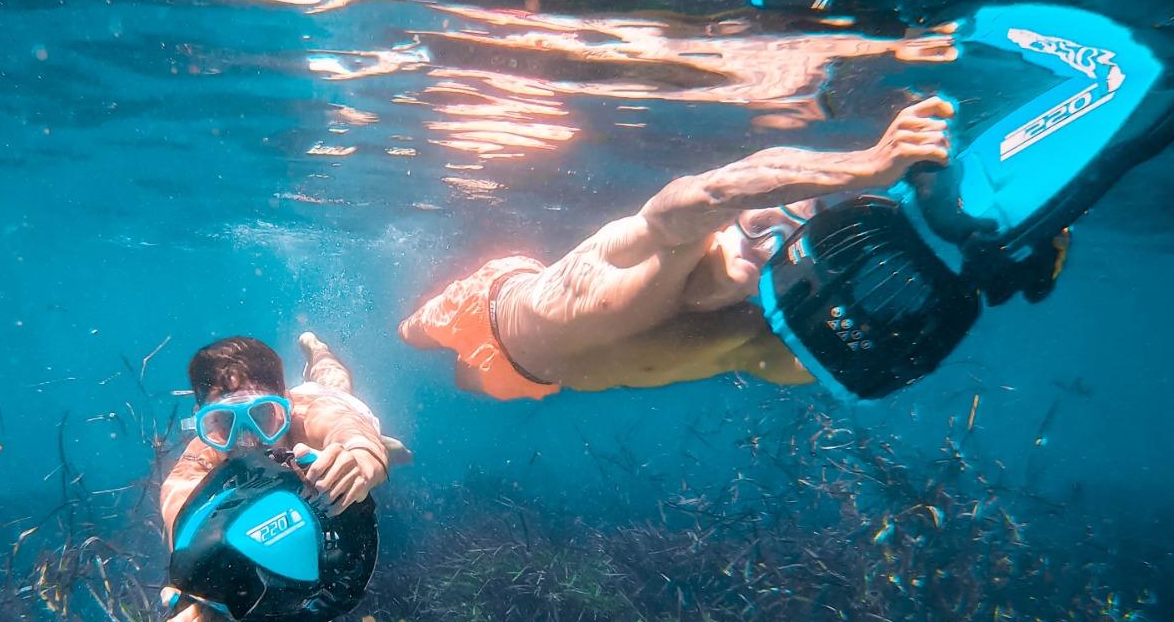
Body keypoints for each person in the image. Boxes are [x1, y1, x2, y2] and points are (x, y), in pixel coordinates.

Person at [399, 96, 960, 400]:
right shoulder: (637, 259)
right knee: (410, 336)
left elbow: (828, 363)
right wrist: (864, 166)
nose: (767, 242)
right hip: (481, 306)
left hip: (532, 380)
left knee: (468, 383)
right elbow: (704, 193)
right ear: (730, 218)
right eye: (761, 219)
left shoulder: (744, 334)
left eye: (786, 237)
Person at [158, 332, 406, 622]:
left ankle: (318, 351)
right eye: (224, 422)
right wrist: (197, 604)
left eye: (262, 416)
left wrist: (364, 458)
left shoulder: (311, 415)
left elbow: (349, 430)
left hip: (333, 401)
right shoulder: (200, 460)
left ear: (286, 406)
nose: (247, 442)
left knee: (335, 383)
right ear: (202, 420)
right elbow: (182, 519)